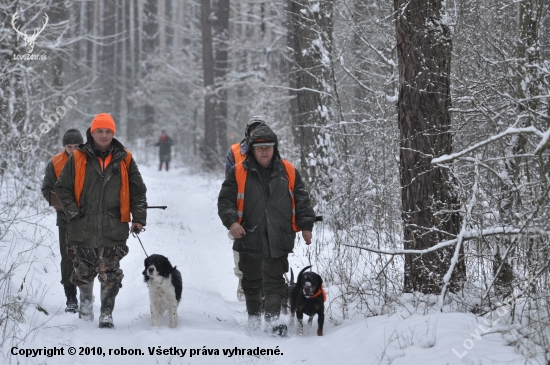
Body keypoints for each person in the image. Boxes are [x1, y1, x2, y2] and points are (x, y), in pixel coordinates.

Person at [218, 124, 316, 333]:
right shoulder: (238, 172)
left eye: (268, 147)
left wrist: (306, 226)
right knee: (251, 281)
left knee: (274, 281)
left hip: (278, 235)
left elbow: (302, 200)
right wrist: (232, 222)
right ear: (252, 149)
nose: (264, 151)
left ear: (275, 148)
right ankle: (254, 318)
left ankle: (273, 321)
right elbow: (225, 201)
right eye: (260, 147)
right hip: (248, 234)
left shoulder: (289, 171)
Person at [55, 113, 147, 329]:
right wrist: (72, 212)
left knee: (111, 273)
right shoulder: (78, 157)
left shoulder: (125, 158)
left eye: (108, 131)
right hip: (82, 226)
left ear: (113, 133)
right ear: (92, 133)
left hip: (113, 226)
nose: (104, 135)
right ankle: (85, 307)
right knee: (83, 273)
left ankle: (106, 313)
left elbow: (138, 191)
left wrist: (139, 218)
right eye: (100, 131)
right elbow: (62, 188)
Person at [41, 127, 84, 314]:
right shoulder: (55, 162)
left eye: (77, 146)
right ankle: (71, 298)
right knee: (68, 258)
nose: (73, 149)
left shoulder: (91, 160)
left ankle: (87, 296)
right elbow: (47, 190)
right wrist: (65, 205)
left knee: (87, 257)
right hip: (65, 218)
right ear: (64, 146)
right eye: (69, 146)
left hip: (88, 218)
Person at [225, 116, 266, 301]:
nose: (256, 133)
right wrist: (231, 214)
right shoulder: (235, 152)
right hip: (241, 211)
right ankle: (243, 282)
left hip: (264, 211)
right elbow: (228, 184)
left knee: (265, 250)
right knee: (240, 250)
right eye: (253, 129)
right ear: (247, 132)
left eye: (260, 129)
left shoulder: (271, 149)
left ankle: (264, 287)